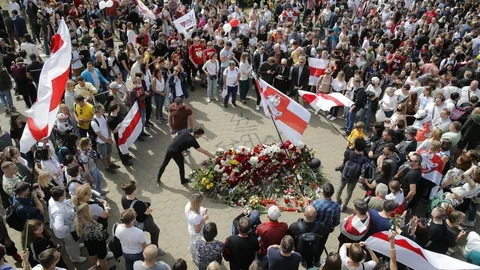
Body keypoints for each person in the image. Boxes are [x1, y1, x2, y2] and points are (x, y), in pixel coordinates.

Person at [47, 186, 86, 263]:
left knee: (74, 241)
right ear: (60, 197)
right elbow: (59, 227)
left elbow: (64, 203)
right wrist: (70, 227)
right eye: (64, 193)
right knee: (71, 244)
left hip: (69, 226)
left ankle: (76, 245)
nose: (66, 194)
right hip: (67, 232)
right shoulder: (59, 211)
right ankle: (75, 258)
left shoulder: (53, 198)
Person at [121, 181, 163, 251]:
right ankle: (155, 249)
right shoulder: (139, 204)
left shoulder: (123, 198)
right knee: (155, 231)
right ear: (134, 191)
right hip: (144, 222)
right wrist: (147, 206)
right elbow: (147, 212)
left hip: (133, 222)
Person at [74, 203, 113, 270]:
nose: (90, 208)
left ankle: (94, 268)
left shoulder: (77, 222)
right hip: (98, 244)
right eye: (89, 209)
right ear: (87, 213)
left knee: (92, 256)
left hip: (88, 243)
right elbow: (101, 236)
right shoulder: (93, 225)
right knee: (102, 259)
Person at [337, 138, 370, 212]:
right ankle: (344, 206)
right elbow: (366, 164)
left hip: (345, 174)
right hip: (354, 177)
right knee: (349, 192)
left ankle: (338, 200)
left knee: (340, 187)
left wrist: (351, 148)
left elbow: (345, 161)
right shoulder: (364, 158)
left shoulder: (348, 152)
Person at [90, 103, 117, 174]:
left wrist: (110, 137)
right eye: (102, 109)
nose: (104, 110)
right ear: (98, 111)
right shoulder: (94, 122)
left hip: (108, 139)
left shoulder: (104, 116)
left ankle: (110, 163)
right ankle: (107, 167)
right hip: (101, 142)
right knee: (103, 156)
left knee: (109, 152)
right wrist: (107, 141)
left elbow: (107, 127)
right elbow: (99, 135)